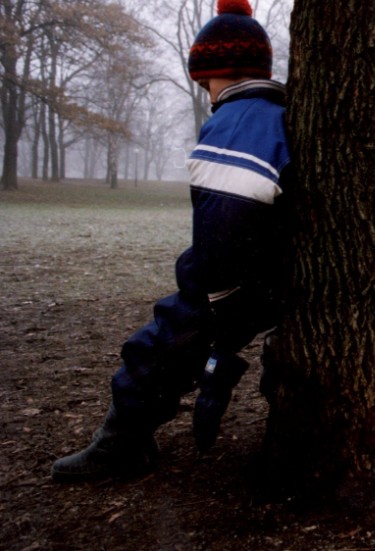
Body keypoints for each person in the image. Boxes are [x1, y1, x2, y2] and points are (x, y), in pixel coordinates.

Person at [52, 0, 291, 482]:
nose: (205, 93)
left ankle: (119, 446)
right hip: (272, 275)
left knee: (160, 343)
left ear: (216, 72)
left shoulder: (239, 122)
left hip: (243, 282)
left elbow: (229, 214)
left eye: (206, 82)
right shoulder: (273, 114)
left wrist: (215, 294)